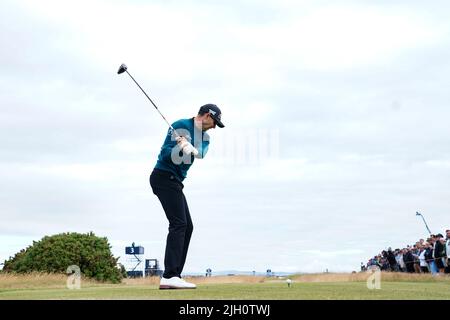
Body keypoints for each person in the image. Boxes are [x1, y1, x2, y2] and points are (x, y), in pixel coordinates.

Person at [150, 104, 225, 289]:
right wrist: (179, 147)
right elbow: (166, 155)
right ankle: (169, 276)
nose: (215, 127)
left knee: (187, 226)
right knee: (179, 224)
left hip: (175, 182)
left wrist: (189, 146)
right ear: (207, 116)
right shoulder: (180, 126)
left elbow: (201, 154)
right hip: (162, 177)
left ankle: (174, 275)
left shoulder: (205, 137)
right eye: (215, 122)